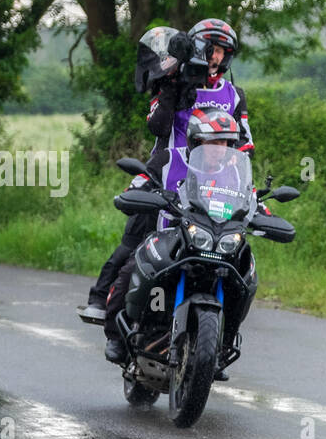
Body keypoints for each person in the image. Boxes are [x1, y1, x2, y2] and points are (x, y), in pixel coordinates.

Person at [80, 18, 253, 321]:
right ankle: (101, 299)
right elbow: (157, 126)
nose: (216, 58)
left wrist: (247, 190)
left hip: (213, 181)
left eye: (223, 52)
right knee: (135, 242)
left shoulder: (234, 94)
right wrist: (174, 86)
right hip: (166, 170)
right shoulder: (172, 81)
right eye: (211, 50)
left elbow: (244, 145)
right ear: (197, 48)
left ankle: (215, 333)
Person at [103, 109, 251, 373]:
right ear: (196, 140)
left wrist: (264, 214)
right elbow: (142, 180)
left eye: (227, 142)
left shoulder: (235, 172)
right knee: (129, 270)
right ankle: (116, 335)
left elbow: (250, 200)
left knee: (245, 276)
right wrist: (135, 192)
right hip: (170, 237)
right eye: (214, 141)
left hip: (216, 239)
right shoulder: (168, 158)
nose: (221, 148)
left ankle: (224, 343)